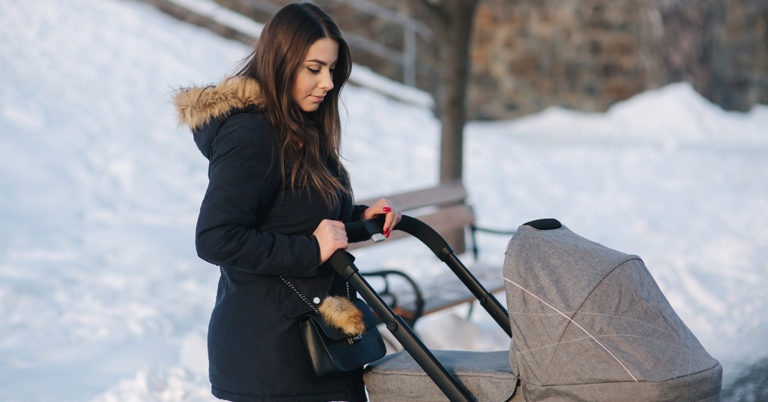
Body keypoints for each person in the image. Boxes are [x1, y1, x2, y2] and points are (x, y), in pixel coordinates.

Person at [174, 3, 401, 401]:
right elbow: (216, 238)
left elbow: (295, 214)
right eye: (314, 69)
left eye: (332, 70)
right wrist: (310, 249)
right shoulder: (250, 136)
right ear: (280, 63)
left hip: (319, 347)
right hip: (270, 360)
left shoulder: (299, 127)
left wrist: (361, 219)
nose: (328, 82)